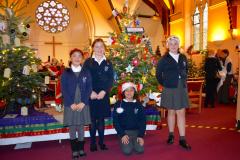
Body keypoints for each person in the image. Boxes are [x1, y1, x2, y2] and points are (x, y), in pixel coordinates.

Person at [156, 35, 191, 150]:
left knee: (181, 112)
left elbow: (186, 70)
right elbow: (158, 75)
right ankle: (171, 135)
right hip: (169, 87)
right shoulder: (163, 59)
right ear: (167, 46)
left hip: (181, 87)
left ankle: (182, 139)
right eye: (171, 44)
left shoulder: (183, 57)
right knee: (170, 111)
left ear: (178, 45)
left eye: (175, 43)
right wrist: (166, 83)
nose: (173, 46)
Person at [83, 38, 114, 152]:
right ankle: (92, 143)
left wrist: (104, 91)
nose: (99, 49)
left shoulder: (108, 62)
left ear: (104, 48)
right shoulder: (88, 62)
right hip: (91, 94)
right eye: (97, 46)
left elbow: (111, 79)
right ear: (93, 48)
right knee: (92, 120)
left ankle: (101, 142)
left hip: (103, 94)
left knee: (101, 120)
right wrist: (90, 92)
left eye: (101, 46)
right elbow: (84, 78)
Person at [61, 48, 92, 160]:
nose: (77, 58)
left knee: (81, 127)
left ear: (82, 59)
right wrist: (70, 103)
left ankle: (81, 149)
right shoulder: (66, 72)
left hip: (83, 103)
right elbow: (63, 89)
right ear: (70, 58)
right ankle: (74, 150)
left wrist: (84, 102)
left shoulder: (86, 72)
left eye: (79, 56)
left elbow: (89, 88)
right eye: (74, 56)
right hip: (71, 104)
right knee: (72, 127)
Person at [113, 82, 146, 155]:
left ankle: (134, 141)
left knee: (140, 150)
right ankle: (122, 139)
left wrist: (141, 135)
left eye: (131, 90)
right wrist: (122, 134)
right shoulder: (119, 104)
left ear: (134, 92)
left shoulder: (138, 104)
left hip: (136, 132)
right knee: (127, 151)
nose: (129, 92)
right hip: (124, 132)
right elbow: (115, 121)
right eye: (127, 90)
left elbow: (143, 120)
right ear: (123, 92)